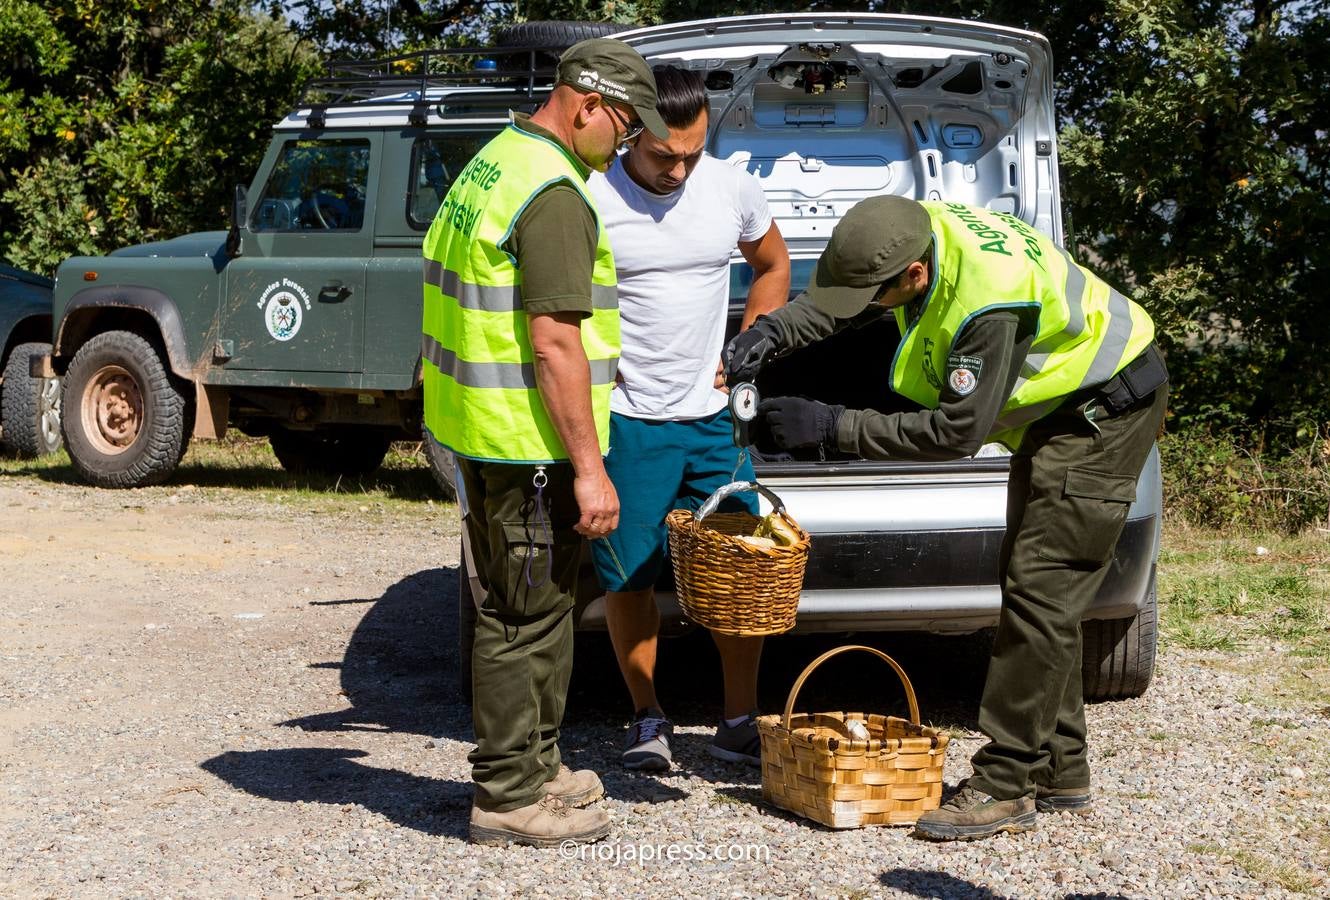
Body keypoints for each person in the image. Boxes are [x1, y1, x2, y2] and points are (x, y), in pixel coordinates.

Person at [724, 195, 1168, 841]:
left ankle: (1006, 782)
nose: (869, 308)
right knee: (1038, 588)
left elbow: (957, 432)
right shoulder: (907, 231)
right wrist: (773, 330)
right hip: (1064, 412)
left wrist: (833, 427)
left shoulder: (989, 300)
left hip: (1105, 413)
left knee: (1043, 589)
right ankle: (1060, 769)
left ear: (914, 276)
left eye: (879, 296)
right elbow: (842, 295)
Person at [421, 38, 668, 848]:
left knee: (540, 607)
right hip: (527, 446)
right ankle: (506, 796)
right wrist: (593, 471)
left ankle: (536, 765)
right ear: (586, 102)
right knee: (522, 618)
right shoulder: (556, 192)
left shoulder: (497, 159)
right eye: (625, 127)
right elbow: (556, 342)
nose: (627, 146)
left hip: (485, 434)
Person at [586, 65, 790, 772]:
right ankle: (647, 719)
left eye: (692, 153)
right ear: (630, 133)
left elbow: (771, 264)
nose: (679, 167)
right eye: (663, 154)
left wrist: (750, 343)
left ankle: (738, 721)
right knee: (629, 577)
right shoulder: (591, 197)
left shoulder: (731, 185)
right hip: (628, 420)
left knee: (743, 564)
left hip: (712, 422)